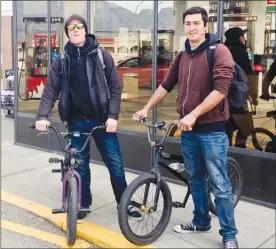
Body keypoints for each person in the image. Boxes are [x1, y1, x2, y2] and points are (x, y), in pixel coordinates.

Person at [133, 7, 239, 249]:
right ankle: (200, 222)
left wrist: (193, 114)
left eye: (196, 23)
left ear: (205, 25)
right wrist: (146, 107)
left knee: (220, 184)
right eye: (188, 23)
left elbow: (221, 90)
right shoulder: (183, 56)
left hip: (211, 129)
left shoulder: (219, 51)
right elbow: (166, 85)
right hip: (189, 130)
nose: (192, 27)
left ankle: (229, 235)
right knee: (196, 180)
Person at [35, 14, 141, 223]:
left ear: (85, 30)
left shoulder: (101, 55)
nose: (75, 30)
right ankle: (83, 204)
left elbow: (115, 88)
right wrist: (42, 116)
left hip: (102, 121)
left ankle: (124, 201)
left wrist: (112, 116)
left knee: (115, 164)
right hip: (76, 121)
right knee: (80, 165)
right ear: (68, 32)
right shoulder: (62, 60)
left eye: (79, 26)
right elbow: (50, 90)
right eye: (71, 27)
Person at [224, 27, 255, 148]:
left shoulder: (222, 49)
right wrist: (254, 96)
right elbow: (249, 75)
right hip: (238, 96)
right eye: (242, 35)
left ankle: (228, 150)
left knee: (227, 126)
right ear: (239, 37)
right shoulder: (241, 51)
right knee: (244, 127)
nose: (244, 38)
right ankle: (240, 152)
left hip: (222, 96)